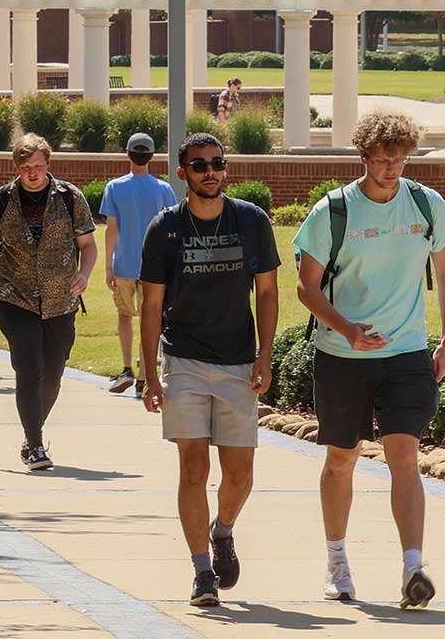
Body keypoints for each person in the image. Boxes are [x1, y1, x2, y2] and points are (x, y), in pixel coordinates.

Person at [294, 110, 445, 610]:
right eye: (383, 160)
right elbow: (306, 286)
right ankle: (337, 561)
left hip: (407, 352)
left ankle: (414, 566)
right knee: (341, 459)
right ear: (363, 157)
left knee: (404, 455)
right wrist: (346, 328)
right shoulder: (334, 211)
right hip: (343, 354)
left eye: (400, 160)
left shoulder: (425, 205)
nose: (392, 169)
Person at [138, 132, 280, 608]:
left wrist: (265, 356)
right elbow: (151, 304)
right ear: (183, 174)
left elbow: (267, 292)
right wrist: (150, 375)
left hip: (239, 362)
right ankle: (202, 572)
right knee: (193, 467)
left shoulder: (251, 221)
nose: (210, 171)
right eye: (199, 165)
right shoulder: (165, 228)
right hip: (184, 361)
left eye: (217, 163)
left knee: (239, 475)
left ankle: (223, 531)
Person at [0, 134, 97, 470]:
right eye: (26, 167)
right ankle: (36, 446)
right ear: (17, 168)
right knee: (29, 370)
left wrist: (84, 275)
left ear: (48, 166)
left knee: (52, 376)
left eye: (38, 166)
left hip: (60, 299)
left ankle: (31, 434)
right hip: (15, 296)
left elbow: (87, 245)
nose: (32, 173)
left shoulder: (70, 198)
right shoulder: (0, 201)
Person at [102, 133, 179, 398]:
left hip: (123, 264)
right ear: (152, 156)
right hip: (154, 269)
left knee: (125, 317)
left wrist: (108, 266)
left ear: (128, 154)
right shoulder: (164, 189)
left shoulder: (114, 187)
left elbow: (111, 229)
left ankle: (126, 368)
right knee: (152, 320)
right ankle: (145, 376)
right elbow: (172, 231)